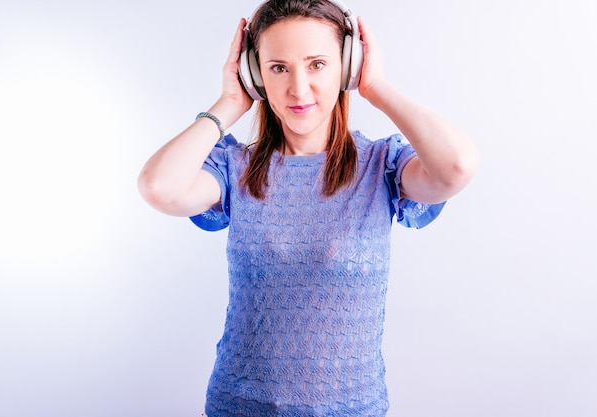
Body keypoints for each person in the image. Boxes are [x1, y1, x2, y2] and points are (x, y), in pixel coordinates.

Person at [138, 0, 479, 415]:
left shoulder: (381, 166)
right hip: (241, 406)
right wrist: (229, 103)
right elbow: (159, 187)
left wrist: (375, 87)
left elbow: (456, 167)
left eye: (317, 64)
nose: (298, 89)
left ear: (347, 67)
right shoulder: (233, 167)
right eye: (278, 67)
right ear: (254, 74)